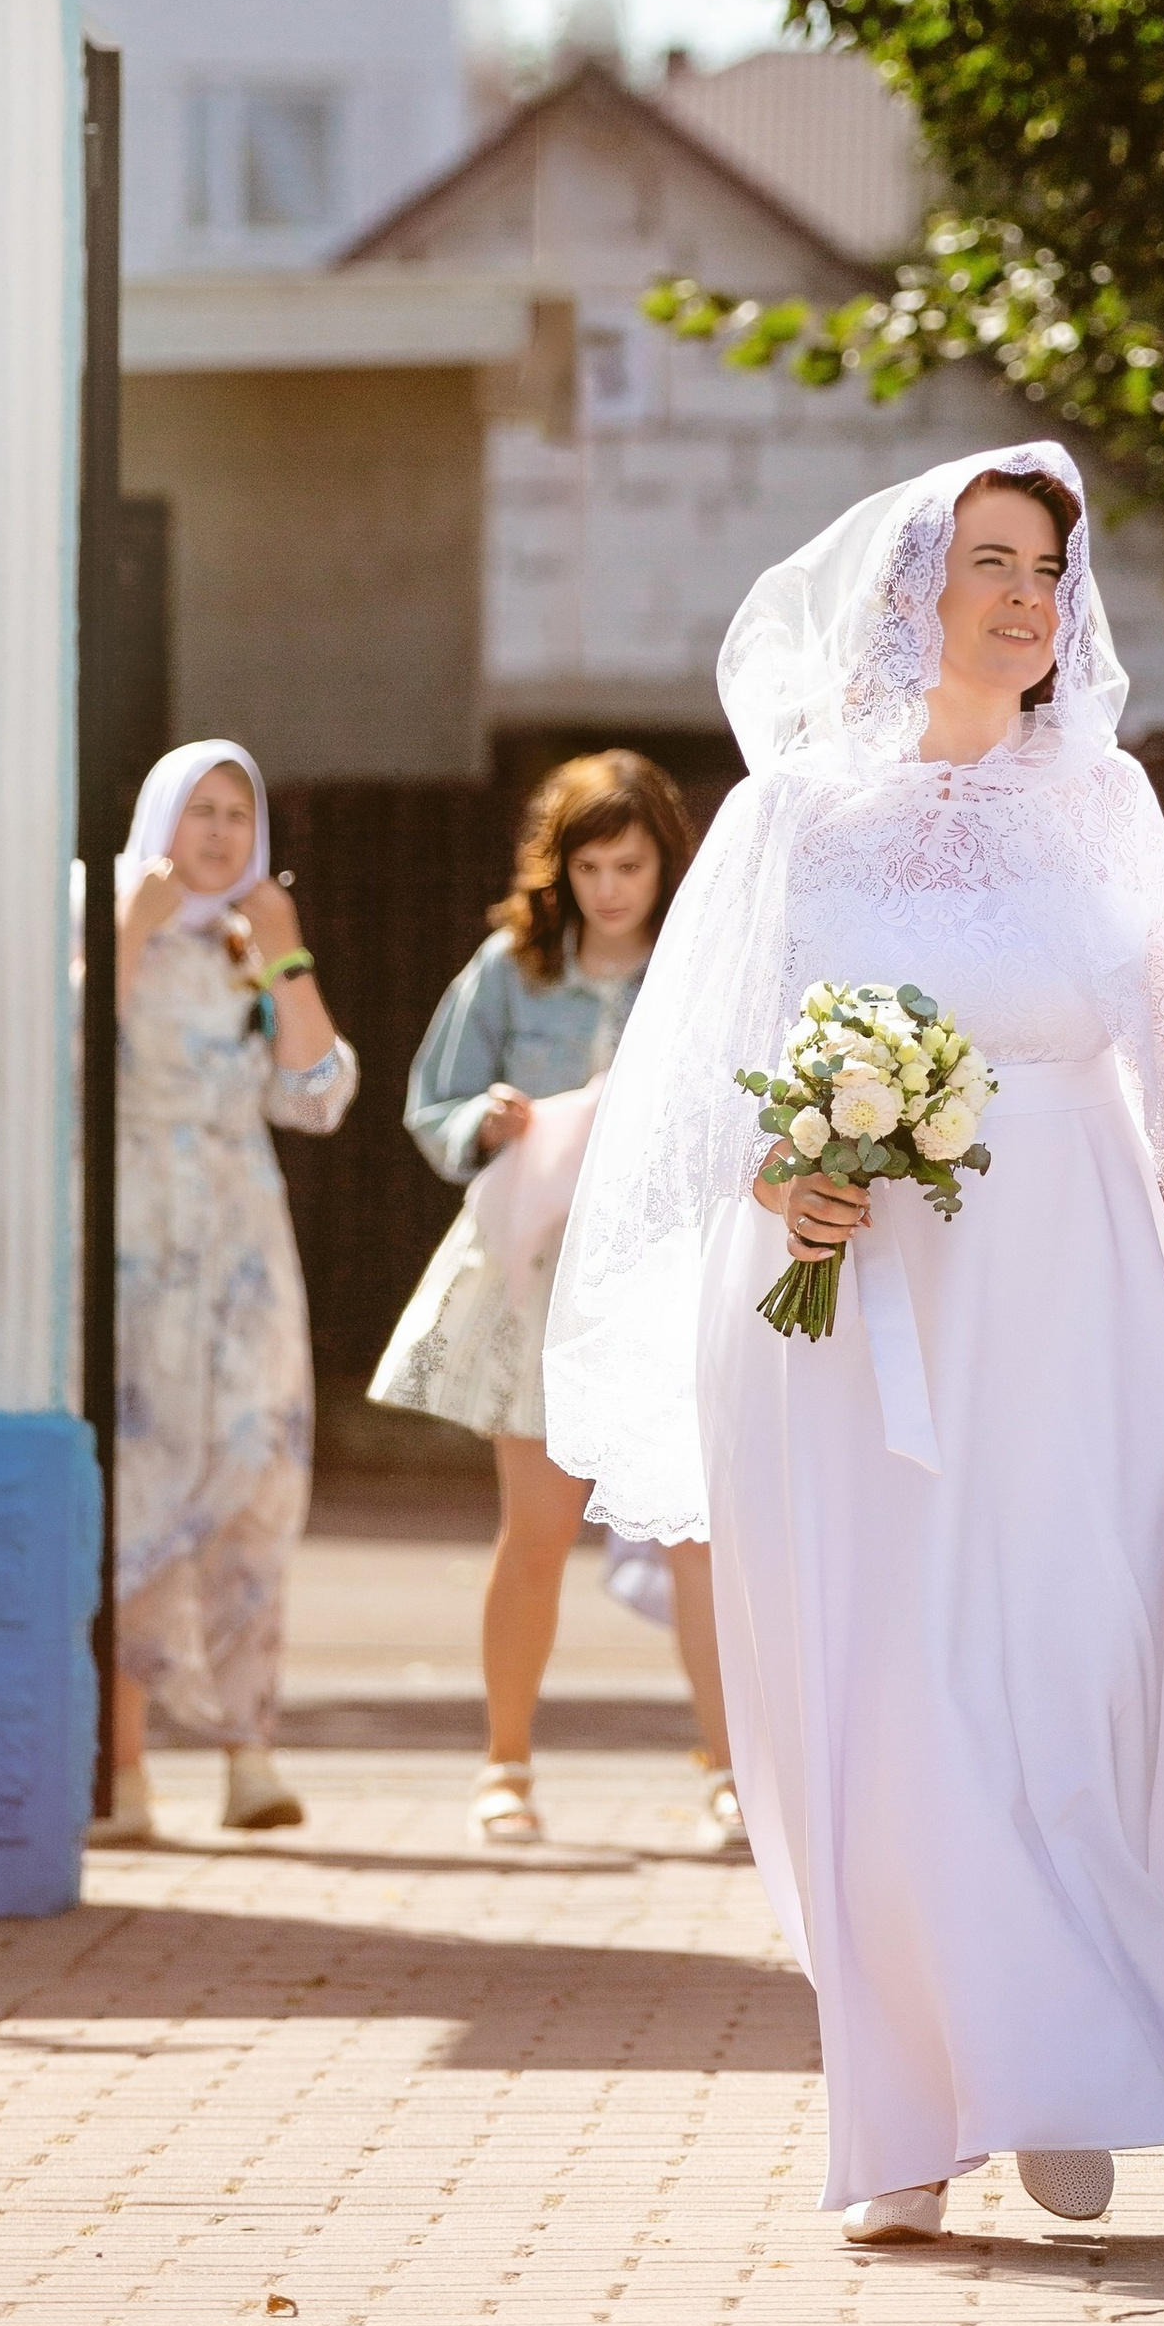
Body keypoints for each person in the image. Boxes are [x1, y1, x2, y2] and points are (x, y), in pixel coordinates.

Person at [547, 445, 1164, 2244]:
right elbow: (691, 1092)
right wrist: (784, 1174)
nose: (1023, 595)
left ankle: (1071, 2044)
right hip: (853, 1317)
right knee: (883, 1690)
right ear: (908, 587)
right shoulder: (792, 820)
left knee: (1079, 1654)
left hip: (1077, 1290)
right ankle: (916, 2111)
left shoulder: (1110, 806)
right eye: (987, 559)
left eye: (1047, 570)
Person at [370, 750, 739, 1854]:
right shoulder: (508, 970)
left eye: (631, 864)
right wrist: (480, 1121)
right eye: (591, 865)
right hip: (540, 1280)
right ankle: (506, 1764)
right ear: (559, 869)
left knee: (699, 1539)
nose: (612, 888)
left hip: (672, 1284)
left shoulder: (705, 966)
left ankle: (729, 1769)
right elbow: (431, 1104)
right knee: (533, 1533)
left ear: (667, 864)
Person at [95, 739, 357, 1848]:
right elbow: (69, 1050)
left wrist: (287, 963)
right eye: (197, 810)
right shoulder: (109, 921)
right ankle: (125, 1772)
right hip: (138, 1241)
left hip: (243, 1247)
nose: (214, 834)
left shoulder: (254, 946)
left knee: (252, 1479)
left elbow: (318, 1097)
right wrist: (130, 929)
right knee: (141, 1488)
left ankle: (250, 1756)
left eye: (234, 815)